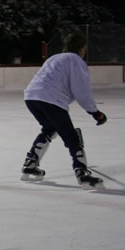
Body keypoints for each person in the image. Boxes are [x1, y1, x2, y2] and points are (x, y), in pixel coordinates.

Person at [21, 32, 107, 189]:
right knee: (72, 137)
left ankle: (30, 165)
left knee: (50, 128)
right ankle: (83, 176)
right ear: (82, 48)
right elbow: (81, 90)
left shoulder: (54, 58)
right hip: (51, 100)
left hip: (31, 97)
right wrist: (95, 112)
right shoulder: (76, 60)